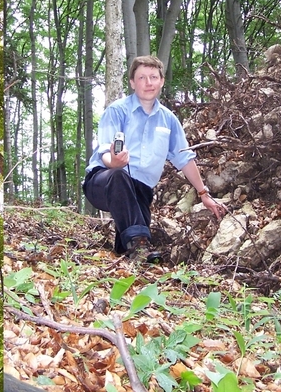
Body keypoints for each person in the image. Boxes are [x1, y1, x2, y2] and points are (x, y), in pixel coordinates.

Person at [83, 55, 224, 263]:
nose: (148, 83)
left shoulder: (169, 120)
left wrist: (203, 193)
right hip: (103, 181)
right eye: (141, 78)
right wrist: (114, 162)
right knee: (119, 177)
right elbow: (104, 151)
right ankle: (139, 243)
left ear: (161, 81)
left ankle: (132, 253)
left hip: (140, 192)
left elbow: (184, 158)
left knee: (132, 239)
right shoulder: (117, 111)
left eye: (153, 77)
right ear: (132, 83)